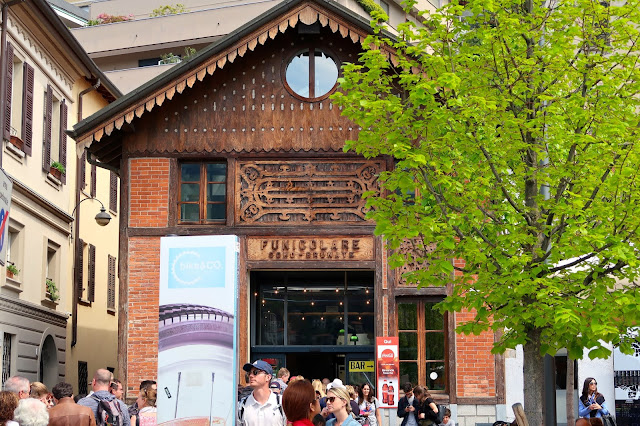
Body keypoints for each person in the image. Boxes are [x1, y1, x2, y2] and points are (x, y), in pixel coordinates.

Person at [237, 360, 285, 426]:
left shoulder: (281, 403)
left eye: (255, 372)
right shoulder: (241, 406)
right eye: (249, 373)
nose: (251, 376)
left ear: (268, 377)